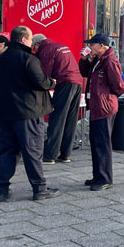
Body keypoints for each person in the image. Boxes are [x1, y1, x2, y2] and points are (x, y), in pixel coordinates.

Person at [0, 25, 59, 202]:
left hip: (6, 112)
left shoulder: (1, 59)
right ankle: (40, 189)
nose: (31, 43)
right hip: (28, 113)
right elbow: (40, 82)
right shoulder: (29, 58)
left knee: (7, 151)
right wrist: (52, 82)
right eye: (30, 39)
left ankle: (2, 190)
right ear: (24, 40)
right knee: (33, 151)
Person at [79, 33, 124, 191]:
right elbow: (84, 73)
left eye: (92, 44)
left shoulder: (110, 61)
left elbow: (118, 85)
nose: (89, 47)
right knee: (95, 143)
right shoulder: (98, 60)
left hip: (104, 107)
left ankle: (105, 178)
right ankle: (98, 176)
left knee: (102, 144)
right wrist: (85, 59)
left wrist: (107, 97)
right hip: (96, 107)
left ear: (101, 46)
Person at [31, 34, 83, 164]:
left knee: (57, 119)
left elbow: (44, 74)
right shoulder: (59, 45)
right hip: (77, 83)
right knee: (70, 120)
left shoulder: (46, 50)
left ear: (37, 44)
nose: (34, 50)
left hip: (65, 83)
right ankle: (65, 154)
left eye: (33, 48)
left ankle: (50, 155)